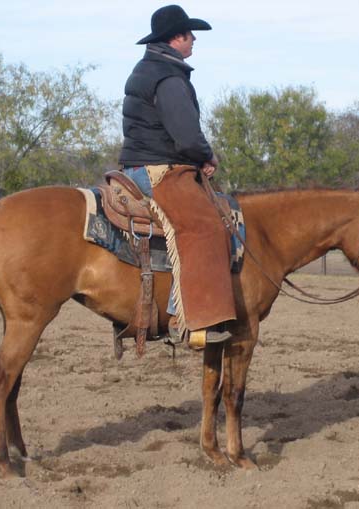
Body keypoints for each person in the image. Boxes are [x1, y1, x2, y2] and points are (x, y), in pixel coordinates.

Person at [118, 4, 236, 348]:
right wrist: (206, 155)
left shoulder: (149, 69)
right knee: (205, 227)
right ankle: (188, 321)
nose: (194, 40)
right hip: (158, 170)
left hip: (141, 164)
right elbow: (186, 136)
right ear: (177, 38)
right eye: (190, 35)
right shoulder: (168, 77)